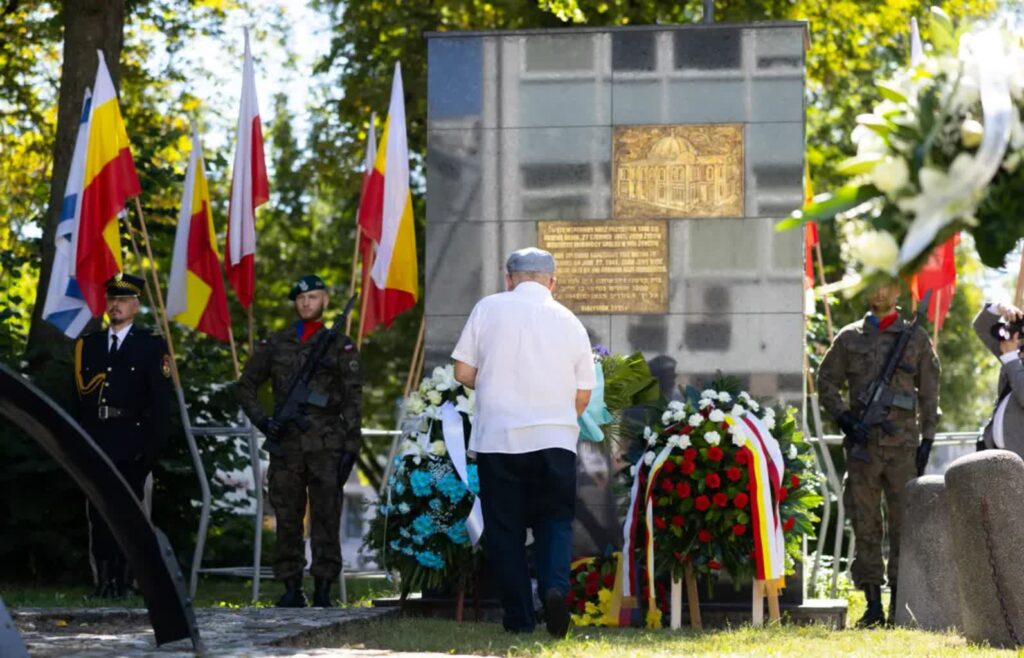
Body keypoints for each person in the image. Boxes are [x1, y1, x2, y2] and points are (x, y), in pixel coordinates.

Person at [452, 247, 596, 637]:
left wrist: (495, 383)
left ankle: (518, 618)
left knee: (505, 528)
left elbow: (463, 370)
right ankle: (553, 589)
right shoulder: (569, 321)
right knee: (555, 521)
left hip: (499, 438)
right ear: (552, 281)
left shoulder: (488, 308)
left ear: (509, 278)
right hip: (554, 439)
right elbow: (583, 395)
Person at [817, 279, 940, 628]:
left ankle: (901, 605)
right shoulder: (849, 337)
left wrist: (927, 439)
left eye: (885, 286)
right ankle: (872, 606)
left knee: (905, 526)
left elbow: (930, 392)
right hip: (863, 449)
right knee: (866, 526)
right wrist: (844, 418)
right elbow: (826, 380)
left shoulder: (915, 338)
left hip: (903, 451)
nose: (878, 293)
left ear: (898, 293)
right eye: (872, 286)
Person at [236, 275, 361, 608]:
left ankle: (323, 588)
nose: (307, 303)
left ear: (324, 302)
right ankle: (291, 587)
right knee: (288, 518)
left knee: (326, 517)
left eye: (314, 297)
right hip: (287, 447)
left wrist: (352, 446)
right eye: (302, 298)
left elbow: (353, 399)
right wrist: (263, 421)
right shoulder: (276, 343)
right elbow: (245, 385)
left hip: (326, 446)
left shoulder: (340, 344)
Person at [72, 273, 171, 598]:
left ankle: (128, 577)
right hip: (96, 439)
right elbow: (77, 400)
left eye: (124, 300)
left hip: (133, 441)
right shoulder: (89, 345)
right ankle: (104, 579)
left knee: (130, 514)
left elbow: (160, 405)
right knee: (99, 512)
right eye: (112, 299)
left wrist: (150, 453)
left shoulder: (151, 346)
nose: (116, 305)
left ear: (136, 306)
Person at [973, 301, 1024, 457]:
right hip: (998, 457)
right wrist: (999, 308)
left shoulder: (1011, 359)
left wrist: (1010, 357)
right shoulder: (1014, 356)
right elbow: (981, 328)